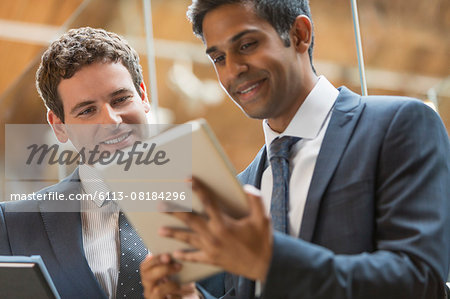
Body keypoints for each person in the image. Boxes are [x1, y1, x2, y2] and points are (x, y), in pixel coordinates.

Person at [140, 0, 450, 298]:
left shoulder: (399, 124)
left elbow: (420, 280)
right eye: (219, 57)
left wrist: (268, 260)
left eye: (246, 45)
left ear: (300, 34)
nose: (232, 70)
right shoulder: (242, 184)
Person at [0, 27, 212, 299]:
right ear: (59, 126)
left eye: (121, 99)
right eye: (87, 110)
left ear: (143, 97)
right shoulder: (13, 224)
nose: (111, 120)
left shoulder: (212, 201)